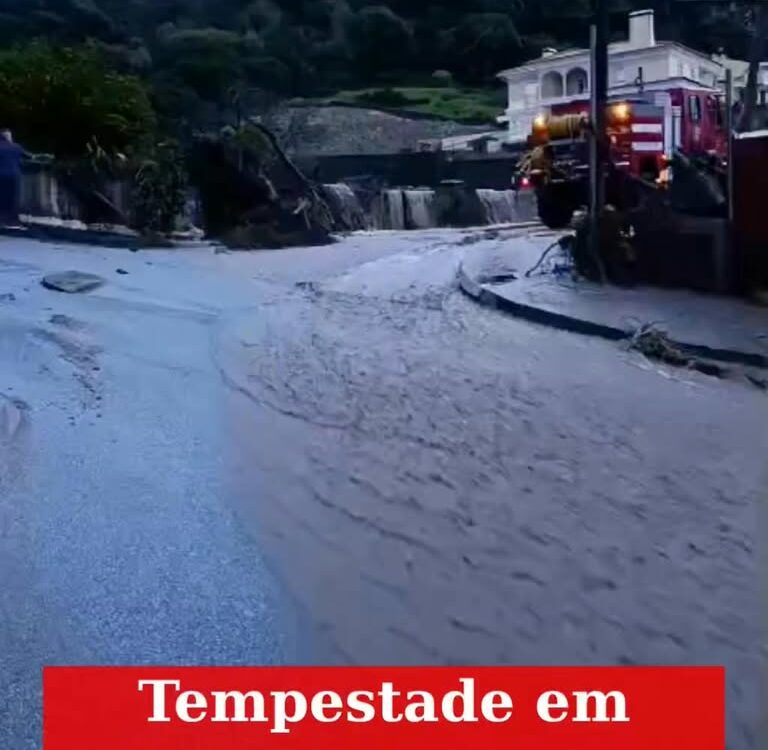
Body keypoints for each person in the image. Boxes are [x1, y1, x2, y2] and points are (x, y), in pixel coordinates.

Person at [0, 129, 30, 227]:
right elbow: (28, 156)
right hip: (14, 176)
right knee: (12, 198)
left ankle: (2, 219)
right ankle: (12, 220)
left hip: (1, 176)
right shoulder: (16, 147)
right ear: (9, 137)